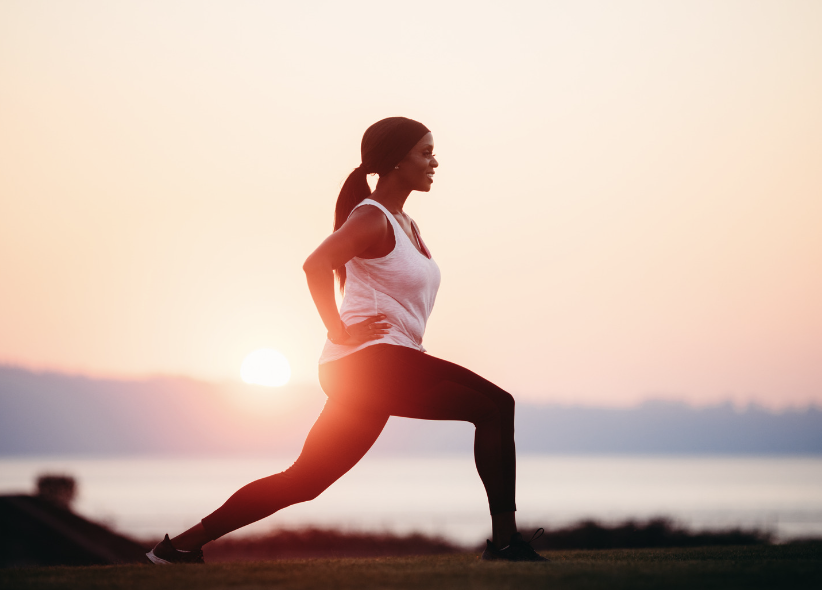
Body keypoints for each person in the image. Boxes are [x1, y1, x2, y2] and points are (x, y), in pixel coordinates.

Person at [146, 116, 547, 564]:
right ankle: (507, 542)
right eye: (425, 152)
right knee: (495, 406)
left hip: (367, 367)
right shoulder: (372, 219)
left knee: (304, 481)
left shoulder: (405, 223)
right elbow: (315, 264)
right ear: (396, 162)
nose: (435, 161)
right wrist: (338, 330)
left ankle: (177, 546)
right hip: (370, 362)